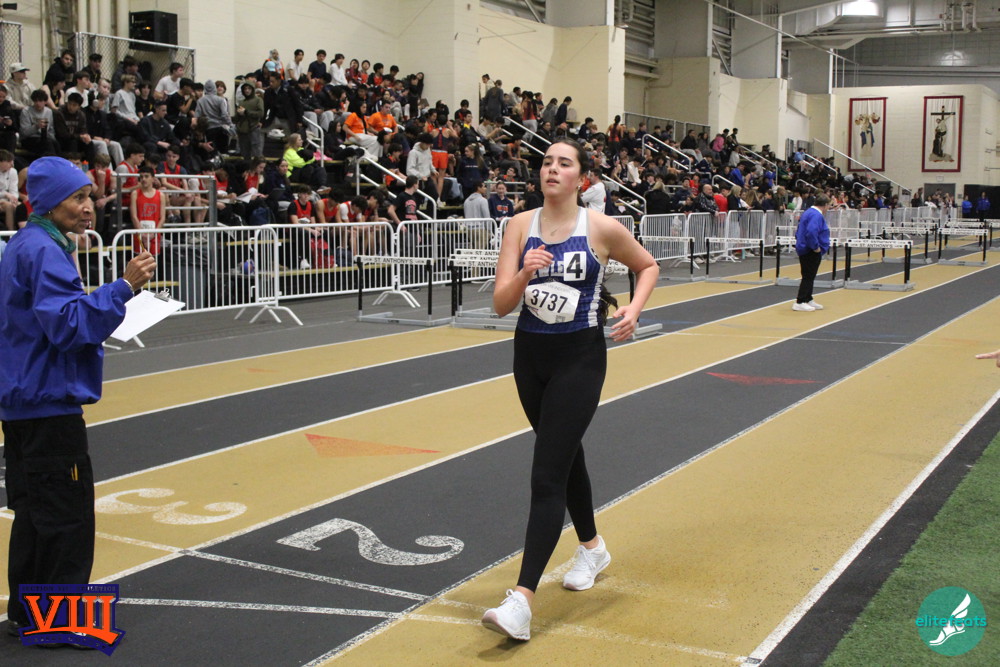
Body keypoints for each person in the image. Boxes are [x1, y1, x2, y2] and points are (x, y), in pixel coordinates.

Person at [481, 139, 658, 641]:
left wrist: (633, 309)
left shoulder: (599, 227)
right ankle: (593, 547)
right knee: (564, 456)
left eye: (564, 163)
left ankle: (522, 601)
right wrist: (525, 271)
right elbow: (500, 304)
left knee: (546, 474)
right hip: (530, 356)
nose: (552, 169)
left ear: (581, 178)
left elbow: (647, 265)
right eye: (546, 162)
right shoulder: (519, 225)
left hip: (580, 357)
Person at [0, 156, 156, 640]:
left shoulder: (25, 245)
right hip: (48, 401)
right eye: (78, 198)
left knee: (34, 514)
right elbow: (68, 326)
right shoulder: (44, 251)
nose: (90, 208)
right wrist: (122, 288)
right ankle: (58, 624)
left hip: (24, 401)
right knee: (65, 516)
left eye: (90, 197)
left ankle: (28, 615)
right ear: (50, 203)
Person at [793, 192, 831, 312]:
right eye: (828, 205)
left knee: (810, 275)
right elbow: (811, 231)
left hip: (805, 248)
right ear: (825, 205)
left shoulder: (808, 212)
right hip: (809, 250)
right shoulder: (816, 215)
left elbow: (800, 230)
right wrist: (815, 247)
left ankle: (808, 298)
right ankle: (800, 301)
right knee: (808, 275)